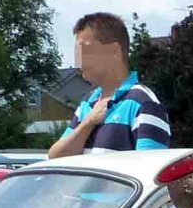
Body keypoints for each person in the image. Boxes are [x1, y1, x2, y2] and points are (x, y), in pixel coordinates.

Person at [48, 12, 170, 158]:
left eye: (85, 50)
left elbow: (149, 171)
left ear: (114, 51)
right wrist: (88, 122)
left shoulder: (143, 103)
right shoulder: (87, 104)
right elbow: (55, 157)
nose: (79, 60)